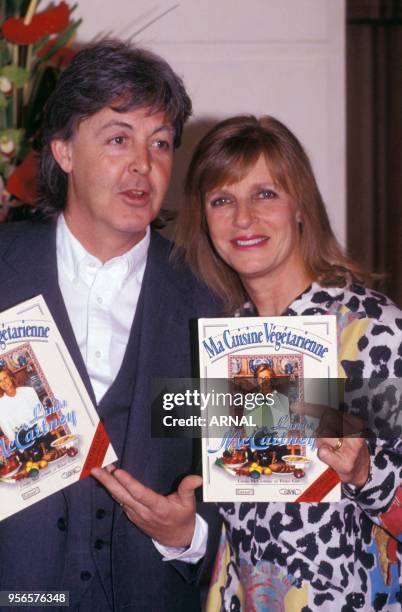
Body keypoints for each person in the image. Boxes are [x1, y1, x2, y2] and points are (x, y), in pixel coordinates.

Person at [0, 41, 220, 611]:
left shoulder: (218, 296)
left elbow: (266, 484)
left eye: (162, 143)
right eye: (119, 138)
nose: (144, 166)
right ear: (64, 151)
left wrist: (189, 535)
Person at [175, 115, 402, 611]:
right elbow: (242, 512)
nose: (243, 219)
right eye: (222, 200)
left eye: (265, 194)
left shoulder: (370, 333)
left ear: (301, 205)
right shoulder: (224, 344)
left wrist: (367, 473)